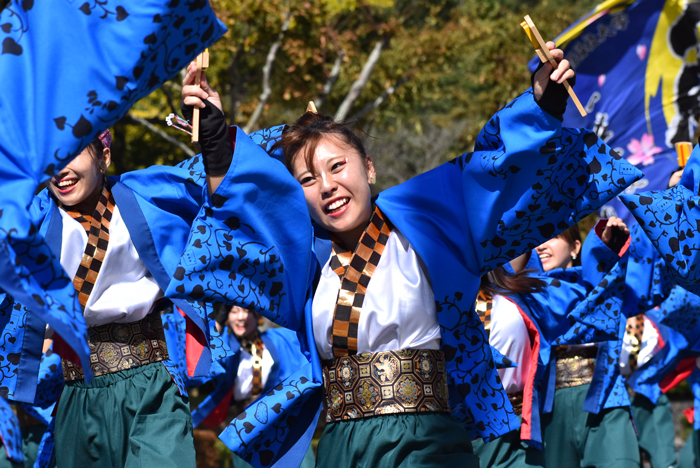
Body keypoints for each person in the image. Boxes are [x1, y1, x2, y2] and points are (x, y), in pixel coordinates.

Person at [184, 43, 643, 467]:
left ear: (369, 167)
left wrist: (542, 102)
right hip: (344, 448)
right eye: (307, 179)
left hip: (427, 441)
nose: (326, 186)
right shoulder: (303, 264)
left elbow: (493, 172)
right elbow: (249, 214)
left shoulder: (427, 223)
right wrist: (217, 140)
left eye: (337, 166)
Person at [0, 60, 311, 467]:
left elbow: (210, 174)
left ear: (104, 154)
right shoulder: (30, 219)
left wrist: (225, 130)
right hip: (78, 393)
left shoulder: (146, 196)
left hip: (152, 386)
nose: (60, 169)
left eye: (72, 152)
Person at [472, 217, 632, 468]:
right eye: (538, 238)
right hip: (547, 408)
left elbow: (643, 289)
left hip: (601, 398)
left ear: (576, 247)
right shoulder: (525, 292)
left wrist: (605, 250)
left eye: (554, 236)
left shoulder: (605, 282)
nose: (542, 245)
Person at [189, 305, 315, 468]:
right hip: (246, 422)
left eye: (247, 311)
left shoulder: (278, 338)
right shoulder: (224, 347)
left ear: (257, 317)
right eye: (234, 312)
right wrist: (218, 320)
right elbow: (206, 357)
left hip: (281, 416)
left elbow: (306, 336)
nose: (240, 317)